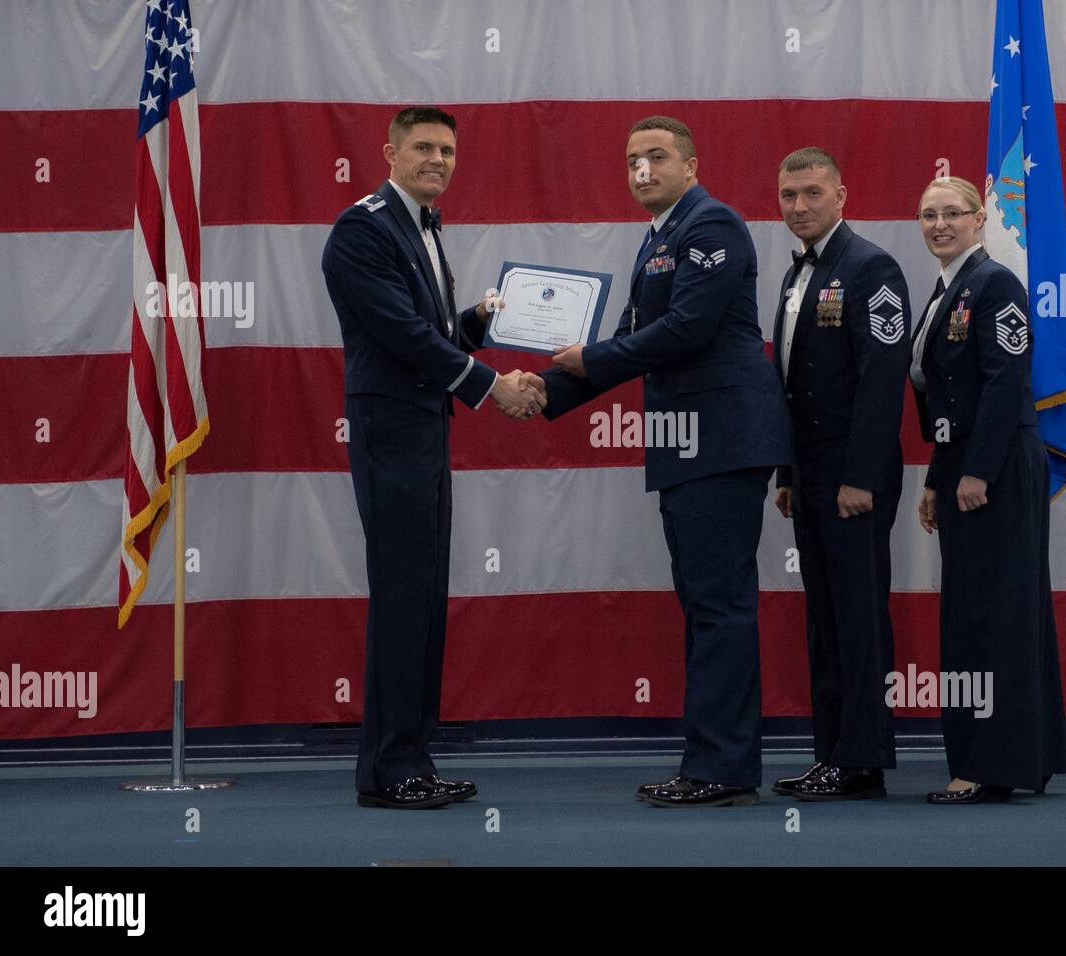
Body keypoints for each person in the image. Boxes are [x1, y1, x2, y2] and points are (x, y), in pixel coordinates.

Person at [541, 116, 792, 807]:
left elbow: (686, 330)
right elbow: (633, 336)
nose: (642, 170)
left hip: (722, 440)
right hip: (690, 443)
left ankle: (722, 769)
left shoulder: (710, 226)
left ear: (690, 164)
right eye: (631, 161)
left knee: (719, 608)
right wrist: (548, 390)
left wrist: (587, 359)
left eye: (656, 157)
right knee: (706, 606)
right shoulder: (659, 239)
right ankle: (713, 761)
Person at [321, 106, 545, 809]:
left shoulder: (420, 226)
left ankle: (411, 759)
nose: (438, 160)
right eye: (423, 147)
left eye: (447, 150)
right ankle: (391, 771)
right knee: (402, 597)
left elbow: (434, 331)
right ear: (388, 152)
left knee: (421, 596)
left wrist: (479, 322)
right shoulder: (364, 227)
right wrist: (488, 385)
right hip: (392, 427)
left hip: (420, 428)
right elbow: (399, 332)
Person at [909, 176, 1066, 804]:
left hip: (998, 469)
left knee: (993, 616)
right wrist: (936, 477)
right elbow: (948, 396)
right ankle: (1017, 754)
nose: (940, 224)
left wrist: (976, 472)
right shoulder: (947, 288)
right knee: (978, 611)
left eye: (953, 213)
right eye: (928, 214)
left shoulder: (995, 284)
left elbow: (1007, 382)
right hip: (966, 465)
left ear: (982, 220)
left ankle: (988, 765)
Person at [768, 148, 911, 801]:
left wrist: (861, 476)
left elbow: (882, 382)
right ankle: (832, 753)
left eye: (812, 193)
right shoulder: (796, 274)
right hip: (813, 470)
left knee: (857, 617)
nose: (799, 206)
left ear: (841, 195)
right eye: (789, 195)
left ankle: (862, 759)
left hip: (855, 473)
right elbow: (792, 385)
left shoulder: (871, 267)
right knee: (825, 618)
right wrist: (789, 473)